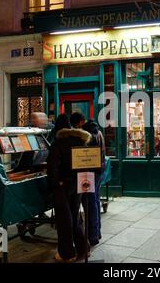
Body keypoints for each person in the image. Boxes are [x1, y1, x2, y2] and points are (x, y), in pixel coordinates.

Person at [47, 113, 92, 262]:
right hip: (78, 182)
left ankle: (66, 254)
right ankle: (83, 248)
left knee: (64, 219)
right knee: (75, 215)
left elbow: (52, 165)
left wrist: (55, 183)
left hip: (63, 184)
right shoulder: (80, 140)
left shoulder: (58, 142)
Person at [70, 111, 105, 246]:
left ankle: (93, 236)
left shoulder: (86, 135)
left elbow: (84, 156)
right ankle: (97, 232)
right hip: (99, 171)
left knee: (90, 203)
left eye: (76, 126)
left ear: (79, 123)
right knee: (95, 201)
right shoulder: (99, 132)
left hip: (90, 173)